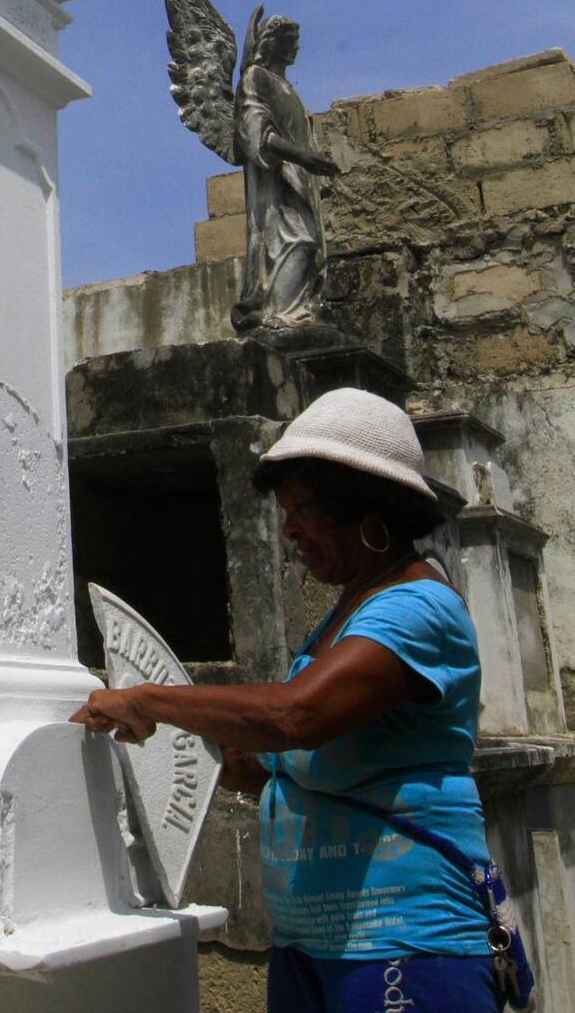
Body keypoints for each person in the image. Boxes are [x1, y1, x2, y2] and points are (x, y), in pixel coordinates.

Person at [71, 388, 508, 1012]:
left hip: (405, 945)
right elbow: (292, 761)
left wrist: (151, 700)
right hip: (313, 946)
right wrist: (207, 764)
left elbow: (295, 716)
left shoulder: (418, 609)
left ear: (364, 507)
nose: (289, 529)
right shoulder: (345, 615)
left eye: (302, 507)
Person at [232, 15, 339, 334]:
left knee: (308, 245)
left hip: (300, 181)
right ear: (273, 43)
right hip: (275, 183)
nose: (296, 47)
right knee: (295, 243)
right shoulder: (256, 77)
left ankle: (297, 312)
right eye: (291, 41)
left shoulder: (286, 87)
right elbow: (254, 130)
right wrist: (302, 156)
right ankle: (280, 317)